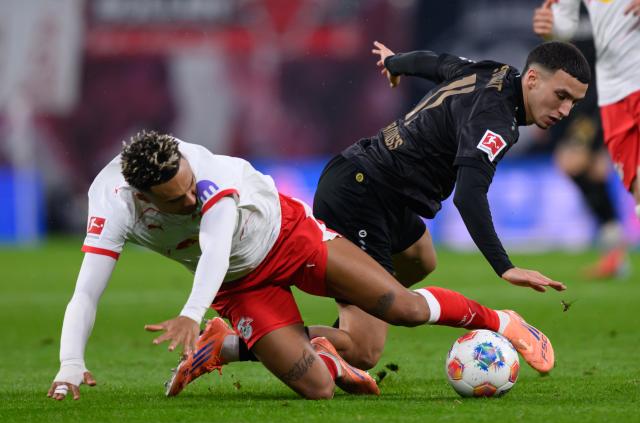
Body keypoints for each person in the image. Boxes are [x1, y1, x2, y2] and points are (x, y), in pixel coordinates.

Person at [48, 131, 558, 401]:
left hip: (291, 236)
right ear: (141, 198)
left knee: (399, 308)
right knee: (318, 390)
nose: (189, 197)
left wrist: (190, 310)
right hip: (241, 285)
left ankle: (502, 321)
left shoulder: (206, 173)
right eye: (174, 199)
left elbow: (216, 241)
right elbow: (86, 291)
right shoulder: (110, 204)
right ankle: (230, 345)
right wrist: (70, 365)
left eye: (188, 184)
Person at [309, 40, 589, 370]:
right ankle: (251, 344)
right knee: (364, 352)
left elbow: (438, 62)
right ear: (532, 80)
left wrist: (396, 62)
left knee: (419, 257)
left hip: (378, 188)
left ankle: (349, 322)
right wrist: (505, 266)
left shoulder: (493, 72)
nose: (566, 111)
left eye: (574, 101)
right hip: (360, 197)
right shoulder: (495, 119)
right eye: (561, 96)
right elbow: (469, 195)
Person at [533, 0, 636, 279]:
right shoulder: (567, 6)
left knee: (572, 162)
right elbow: (559, 51)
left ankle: (614, 242)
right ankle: (615, 252)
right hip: (583, 97)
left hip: (612, 92)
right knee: (594, 169)